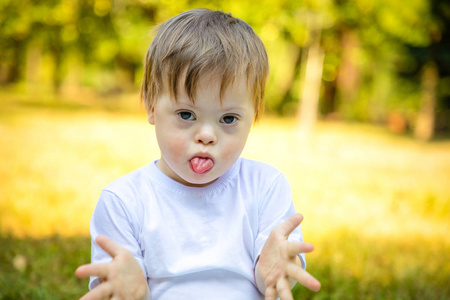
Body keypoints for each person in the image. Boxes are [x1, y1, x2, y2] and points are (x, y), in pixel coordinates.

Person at [75, 8, 321, 300]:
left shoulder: (265, 187)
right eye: (186, 114)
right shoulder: (124, 201)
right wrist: (132, 290)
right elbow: (120, 288)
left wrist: (275, 267)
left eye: (228, 119)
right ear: (151, 105)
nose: (207, 135)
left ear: (254, 116)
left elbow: (269, 279)